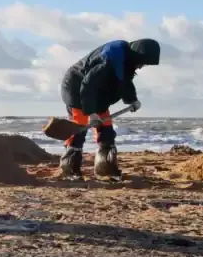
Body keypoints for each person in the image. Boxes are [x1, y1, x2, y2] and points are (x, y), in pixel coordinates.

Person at [58, 38, 160, 180]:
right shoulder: (109, 59)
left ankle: (105, 169)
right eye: (142, 63)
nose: (141, 67)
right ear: (137, 55)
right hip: (76, 88)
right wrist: (91, 113)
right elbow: (88, 85)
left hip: (98, 94)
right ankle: (69, 169)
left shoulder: (125, 61)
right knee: (78, 129)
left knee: (106, 131)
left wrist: (132, 100)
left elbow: (124, 81)